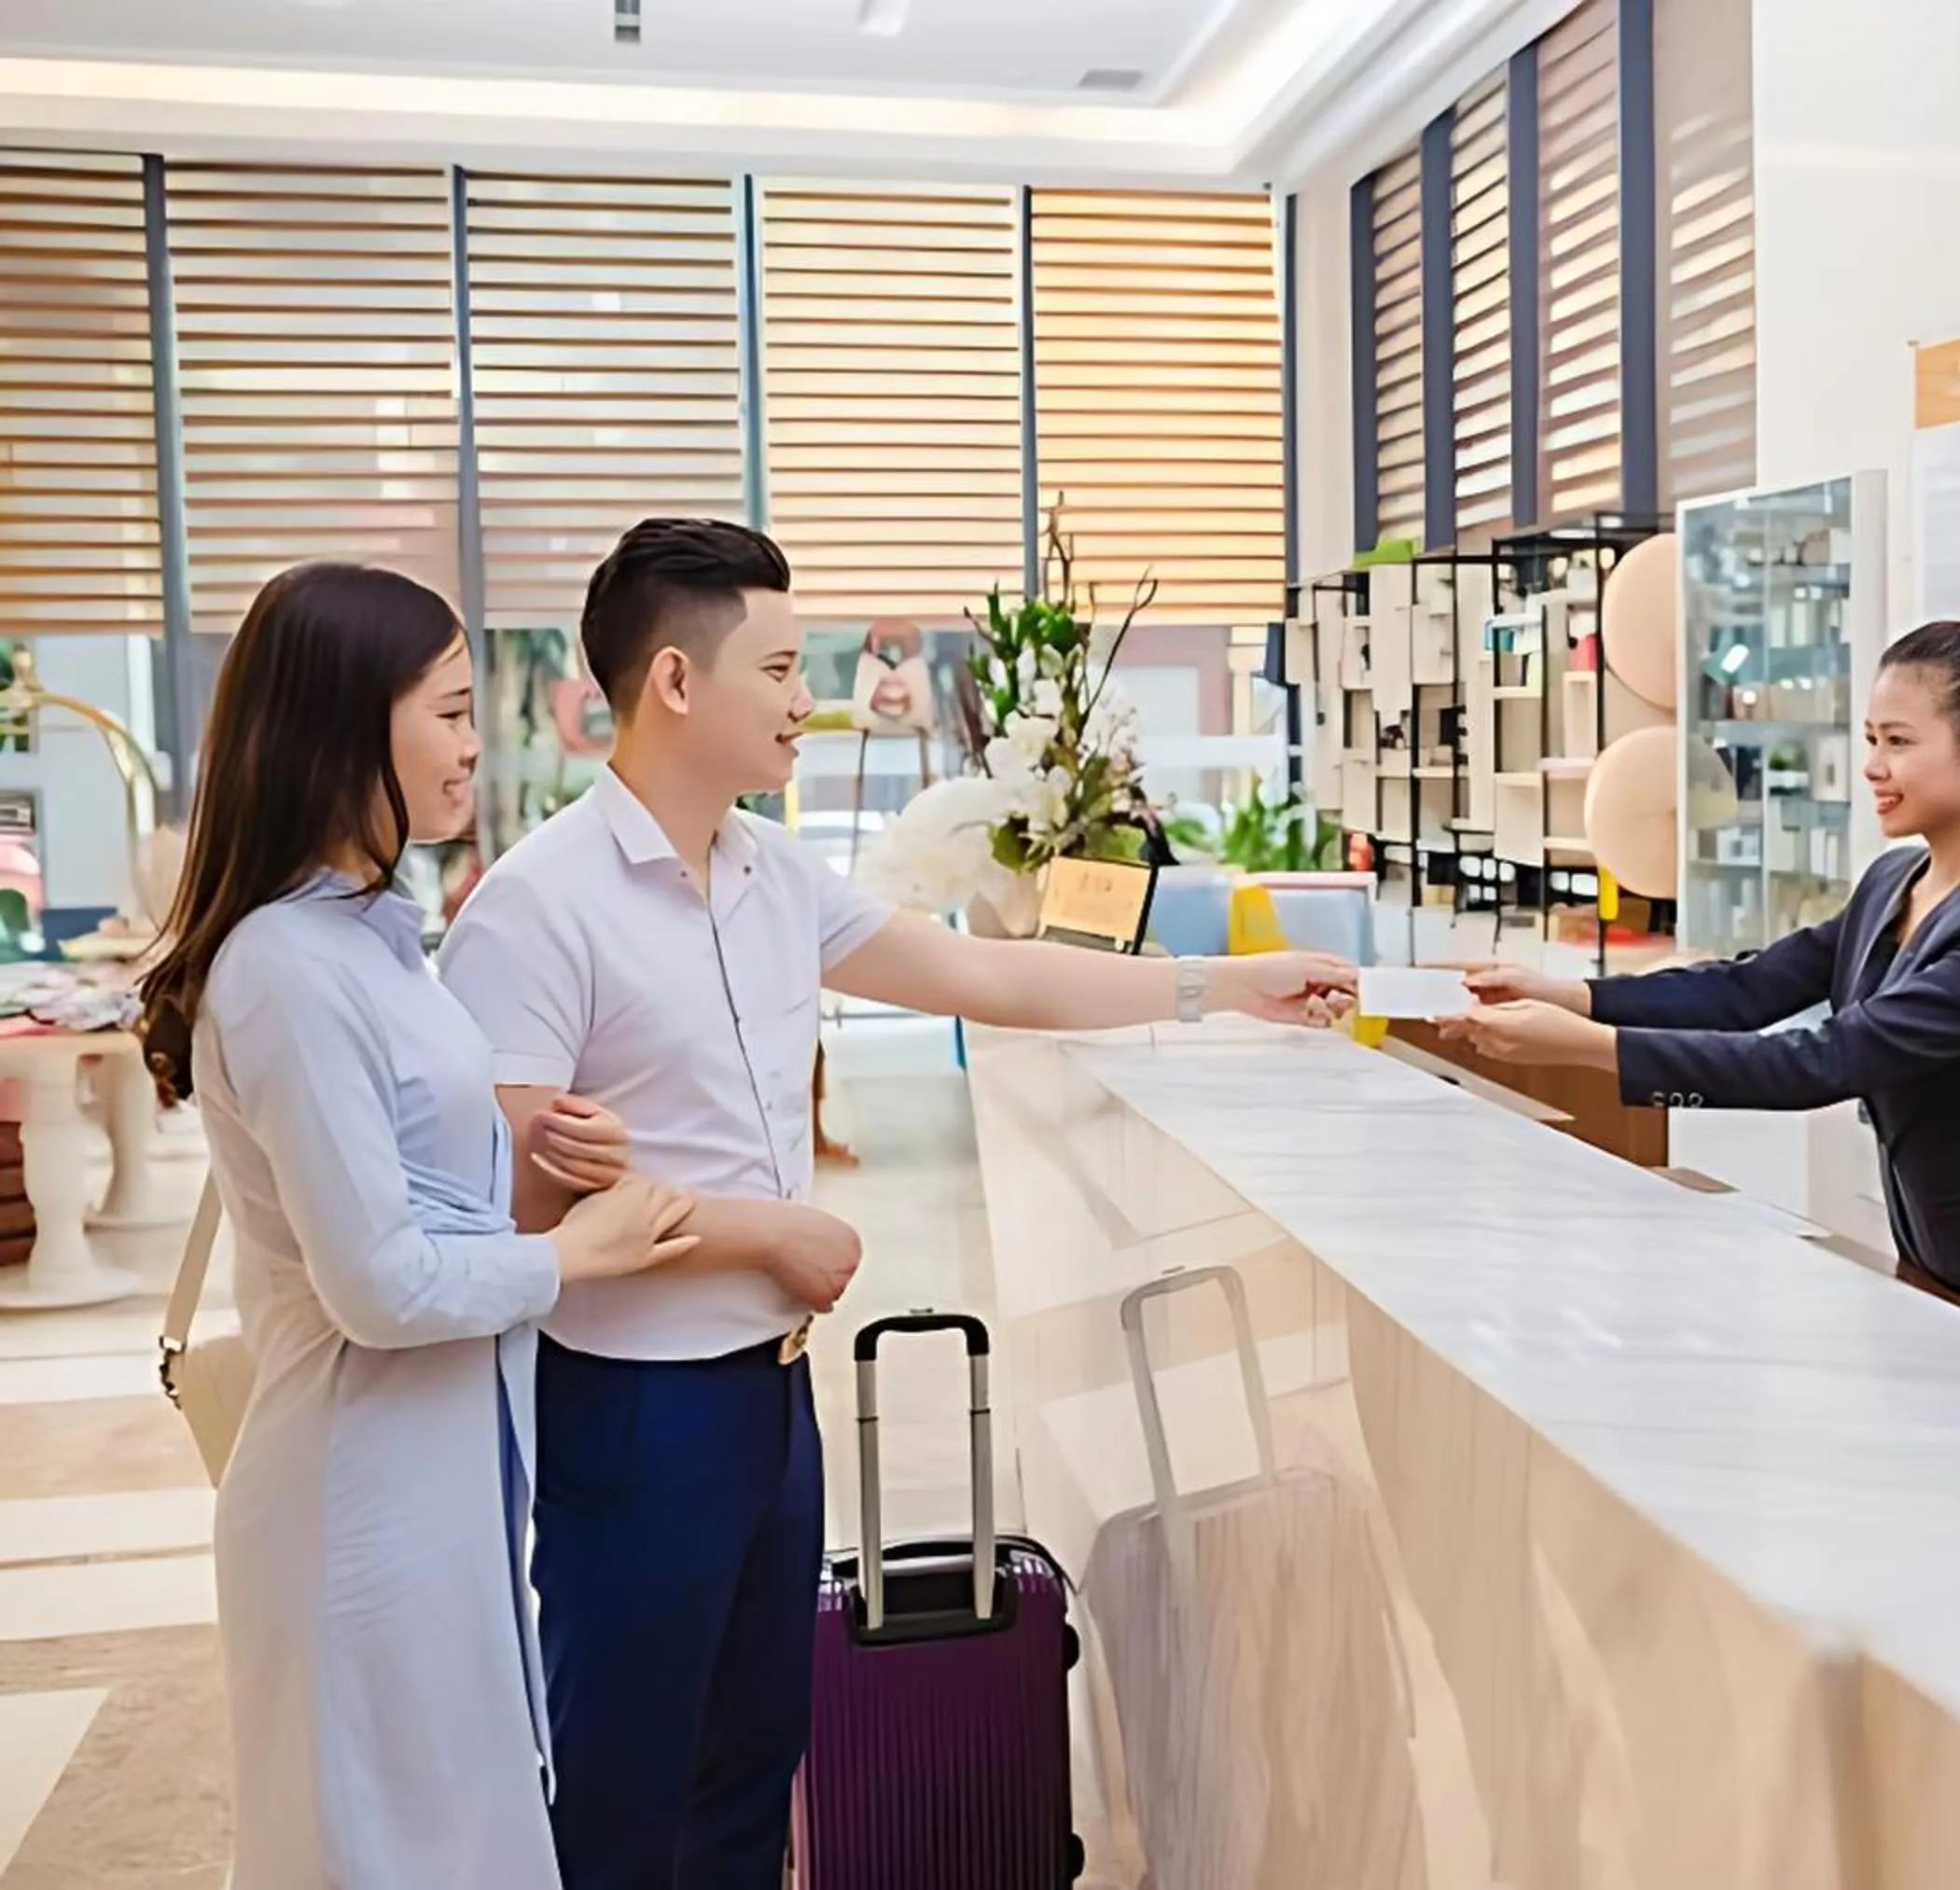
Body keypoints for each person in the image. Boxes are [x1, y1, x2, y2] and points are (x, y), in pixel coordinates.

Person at [437, 518, 1355, 1887]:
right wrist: (770, 1230)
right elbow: (518, 1212)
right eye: (778, 667)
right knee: (626, 1788)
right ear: (676, 682)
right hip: (637, 1413)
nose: (803, 700)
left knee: (755, 1770)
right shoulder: (535, 909)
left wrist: (1218, 987)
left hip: (770, 1397)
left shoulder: (767, 869)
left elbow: (994, 979)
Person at [134, 563, 697, 1887]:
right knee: (379, 1847)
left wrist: (553, 1159)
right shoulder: (282, 966)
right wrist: (574, 1256)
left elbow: (419, 1184)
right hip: (354, 1500)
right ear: (345, 726)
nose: (471, 741)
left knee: (456, 1835)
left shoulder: (374, 936)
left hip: (433, 1478)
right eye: (446, 711)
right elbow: (376, 1280)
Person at [1440, 620, 1960, 1359]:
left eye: (1899, 743)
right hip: (1948, 1284)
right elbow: (1750, 989)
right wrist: (1574, 998)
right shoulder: (1894, 883)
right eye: (1870, 739)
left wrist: (1594, 1051)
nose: (1872, 765)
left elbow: (1820, 1062)